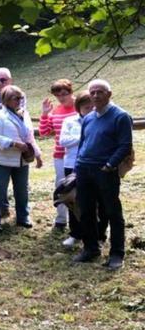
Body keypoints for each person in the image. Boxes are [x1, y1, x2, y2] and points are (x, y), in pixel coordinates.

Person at [72, 80, 133, 270]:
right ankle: (90, 248)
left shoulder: (120, 116)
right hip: (84, 169)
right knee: (86, 210)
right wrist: (77, 165)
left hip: (105, 171)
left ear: (109, 94)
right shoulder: (89, 118)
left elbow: (125, 145)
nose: (96, 95)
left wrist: (110, 164)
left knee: (112, 212)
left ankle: (116, 254)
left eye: (100, 92)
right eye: (93, 92)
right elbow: (83, 142)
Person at [0, 85, 43, 233]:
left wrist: (37, 155)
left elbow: (30, 137)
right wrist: (13, 143)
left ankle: (23, 217)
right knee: (0, 189)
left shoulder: (24, 115)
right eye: (15, 98)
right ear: (5, 100)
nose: (19, 101)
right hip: (2, 160)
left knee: (22, 189)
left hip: (22, 159)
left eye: (20, 98)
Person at [58, 91, 107, 249]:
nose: (91, 110)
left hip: (96, 165)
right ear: (79, 108)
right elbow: (63, 140)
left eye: (93, 107)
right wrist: (85, 136)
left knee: (100, 201)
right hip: (72, 165)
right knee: (74, 200)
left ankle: (100, 234)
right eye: (87, 107)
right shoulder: (70, 121)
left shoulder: (102, 120)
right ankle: (75, 234)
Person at [39, 79, 77, 231]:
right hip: (60, 155)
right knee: (62, 186)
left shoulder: (80, 107)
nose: (61, 98)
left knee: (80, 187)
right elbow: (44, 132)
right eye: (58, 95)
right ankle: (61, 219)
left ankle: (82, 218)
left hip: (77, 154)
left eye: (64, 94)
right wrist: (44, 114)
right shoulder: (56, 111)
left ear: (70, 92)